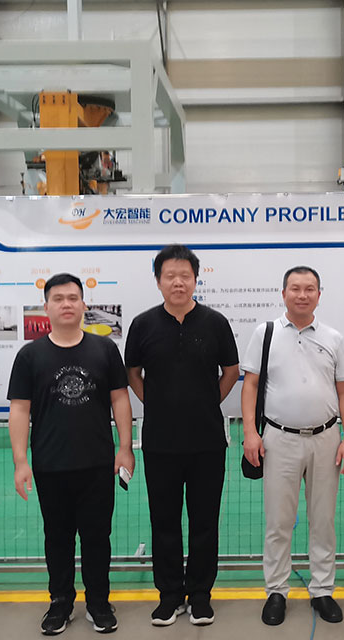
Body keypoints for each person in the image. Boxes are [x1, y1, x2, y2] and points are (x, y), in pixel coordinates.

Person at [8, 273, 135, 636]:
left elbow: (119, 399)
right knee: (57, 538)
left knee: (97, 537)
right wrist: (20, 462)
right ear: (46, 306)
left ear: (83, 305)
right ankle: (60, 603)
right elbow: (19, 409)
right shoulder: (30, 355)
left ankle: (98, 603)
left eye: (73, 298)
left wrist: (125, 448)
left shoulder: (104, 349)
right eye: (58, 298)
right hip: (51, 465)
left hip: (97, 464)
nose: (66, 304)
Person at [125, 245, 239, 627]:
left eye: (185, 276)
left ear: (195, 279)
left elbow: (231, 370)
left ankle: (201, 595)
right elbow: (132, 373)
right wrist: (156, 403)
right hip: (160, 442)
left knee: (205, 521)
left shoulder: (215, 322)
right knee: (164, 522)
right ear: (158, 281)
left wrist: (207, 401)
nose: (178, 282)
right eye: (170, 276)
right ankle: (170, 595)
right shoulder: (142, 324)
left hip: (207, 442)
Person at [241, 266, 344, 627]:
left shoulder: (334, 338)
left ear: (319, 295)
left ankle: (322, 589)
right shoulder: (265, 334)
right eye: (295, 288)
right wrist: (250, 432)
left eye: (309, 289)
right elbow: (250, 384)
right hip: (279, 439)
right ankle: (276, 590)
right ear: (283, 293)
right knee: (279, 521)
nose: (302, 295)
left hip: (326, 439)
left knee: (323, 520)